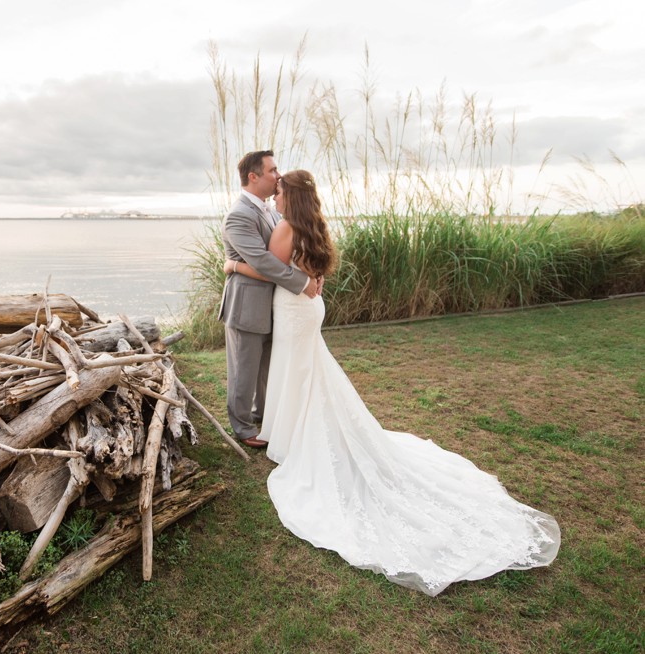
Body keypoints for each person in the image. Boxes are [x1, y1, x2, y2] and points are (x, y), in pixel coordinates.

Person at [223, 170, 560, 595]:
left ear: (291, 197)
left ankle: (292, 437)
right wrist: (306, 279)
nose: (276, 195)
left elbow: (269, 267)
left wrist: (233, 264)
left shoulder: (285, 225)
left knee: (300, 373)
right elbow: (295, 264)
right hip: (306, 308)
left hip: (293, 309)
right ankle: (288, 431)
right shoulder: (308, 225)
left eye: (281, 190)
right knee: (306, 375)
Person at [218, 151, 320, 448]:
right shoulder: (238, 214)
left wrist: (315, 271)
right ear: (254, 176)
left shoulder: (273, 210)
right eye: (273, 170)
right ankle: (242, 427)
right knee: (244, 370)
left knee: (266, 368)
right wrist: (302, 282)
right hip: (247, 304)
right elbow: (263, 261)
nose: (278, 175)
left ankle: (264, 415)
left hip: (276, 304)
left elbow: (292, 250)